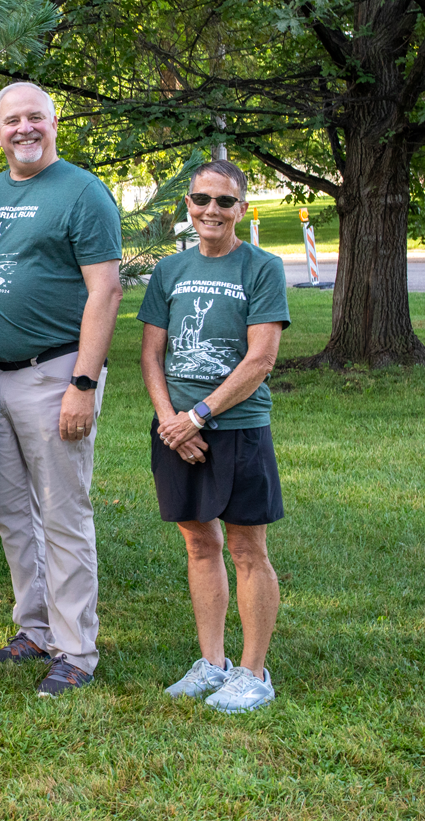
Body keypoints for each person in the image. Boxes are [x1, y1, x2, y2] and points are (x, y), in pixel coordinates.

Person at [0, 82, 124, 697]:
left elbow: (105, 292)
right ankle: (34, 629)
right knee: (12, 514)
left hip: (55, 374)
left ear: (53, 122)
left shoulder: (83, 193)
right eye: (11, 121)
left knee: (62, 513)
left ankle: (77, 649)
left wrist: (83, 382)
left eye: (35, 118)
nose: (23, 129)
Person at [139, 159, 289, 712]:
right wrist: (168, 422)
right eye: (202, 199)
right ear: (189, 205)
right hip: (176, 431)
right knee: (200, 544)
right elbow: (152, 355)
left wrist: (196, 416)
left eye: (225, 202)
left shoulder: (262, 267)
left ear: (241, 209)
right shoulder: (169, 271)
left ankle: (254, 672)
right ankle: (212, 663)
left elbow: (261, 359)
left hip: (237, 429)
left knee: (248, 549)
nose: (212, 211)